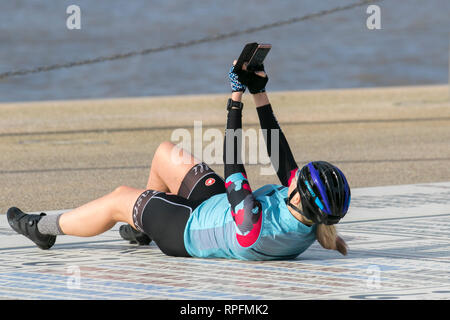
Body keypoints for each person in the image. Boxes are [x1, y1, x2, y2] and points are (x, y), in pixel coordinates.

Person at [6, 58, 350, 260]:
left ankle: (43, 228)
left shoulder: (255, 226)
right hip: (219, 208)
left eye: (298, 179)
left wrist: (235, 96)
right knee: (165, 153)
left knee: (118, 198)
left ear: (298, 194)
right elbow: (281, 156)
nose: (294, 175)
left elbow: (234, 163)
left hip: (186, 230)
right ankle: (142, 228)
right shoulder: (308, 216)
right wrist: (258, 90)